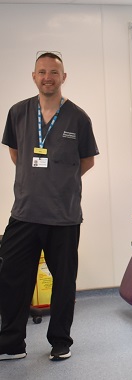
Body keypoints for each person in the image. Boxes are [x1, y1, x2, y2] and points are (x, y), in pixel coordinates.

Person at [0, 51, 99, 362]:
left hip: (64, 216)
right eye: (42, 72)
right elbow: (17, 154)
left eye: (54, 72)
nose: (48, 77)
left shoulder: (79, 118)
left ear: (63, 77)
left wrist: (59, 181)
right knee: (13, 278)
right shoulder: (17, 112)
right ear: (34, 76)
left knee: (64, 282)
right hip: (25, 213)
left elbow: (87, 161)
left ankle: (59, 341)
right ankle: (12, 343)